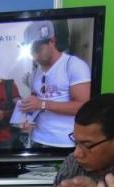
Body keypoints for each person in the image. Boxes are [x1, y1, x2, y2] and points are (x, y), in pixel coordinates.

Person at [19, 20, 91, 148]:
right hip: (37, 140)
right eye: (31, 52)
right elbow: (35, 104)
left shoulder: (74, 65)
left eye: (38, 50)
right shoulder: (35, 73)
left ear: (52, 41)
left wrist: (42, 104)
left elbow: (84, 107)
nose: (35, 56)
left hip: (65, 143)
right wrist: (26, 120)